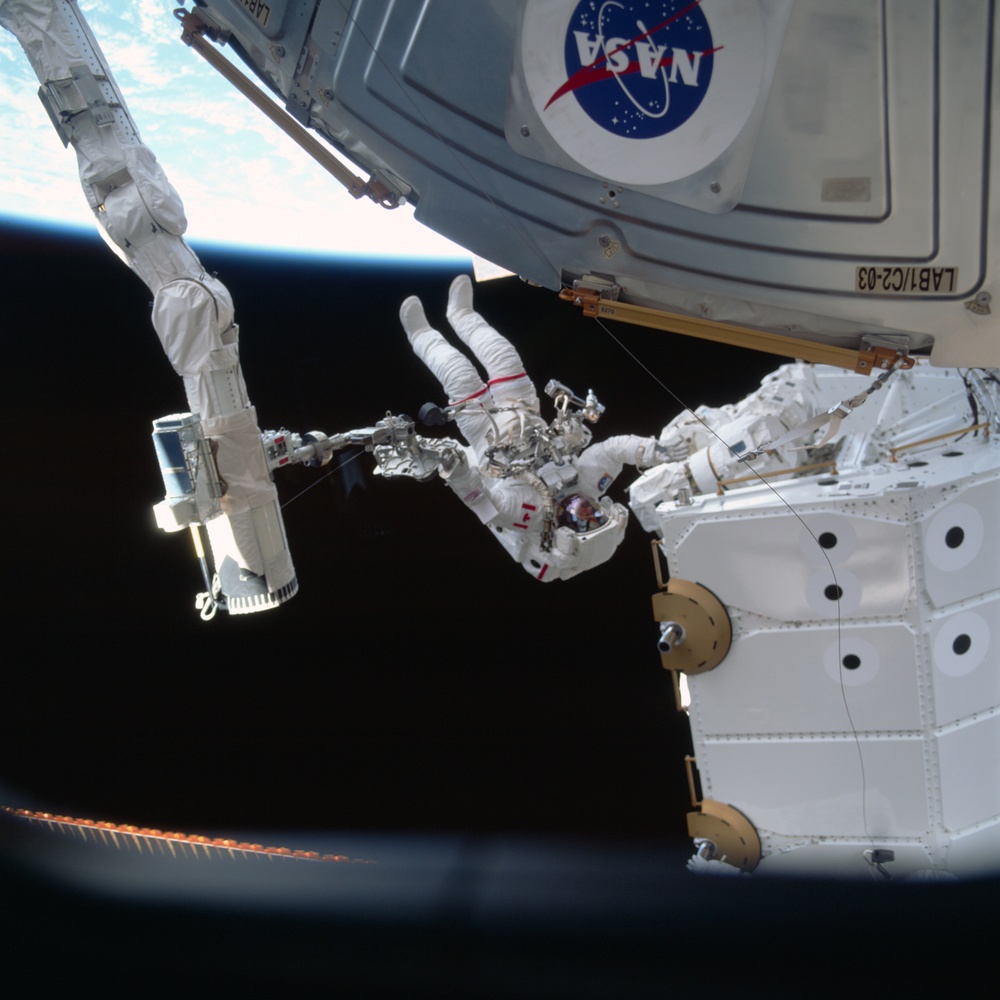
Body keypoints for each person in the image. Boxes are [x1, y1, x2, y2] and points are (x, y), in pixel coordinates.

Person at [400, 276, 662, 581]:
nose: (589, 510)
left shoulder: (526, 513)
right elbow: (614, 451)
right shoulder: (589, 485)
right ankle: (461, 315)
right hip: (524, 409)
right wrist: (653, 451)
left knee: (458, 374)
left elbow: (480, 501)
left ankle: (419, 333)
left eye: (584, 521)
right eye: (598, 515)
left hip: (487, 432)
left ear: (564, 533)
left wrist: (458, 473)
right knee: (502, 355)